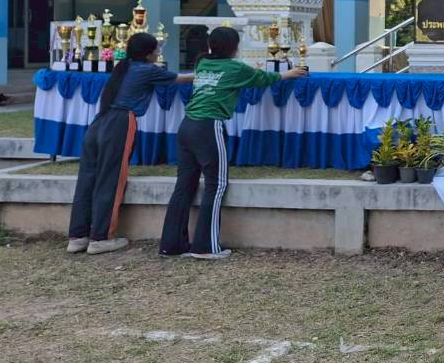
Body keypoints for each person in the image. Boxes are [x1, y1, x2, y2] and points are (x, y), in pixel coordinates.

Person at [159, 27, 307, 260]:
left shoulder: (202, 63)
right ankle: (205, 247)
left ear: (211, 45)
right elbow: (263, 79)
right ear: (234, 48)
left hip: (186, 126)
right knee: (216, 185)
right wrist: (289, 74)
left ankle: (171, 245)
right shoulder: (235, 68)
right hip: (209, 127)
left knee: (184, 185)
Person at [66, 32, 194, 256]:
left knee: (87, 179)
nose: (158, 52)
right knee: (111, 179)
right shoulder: (147, 69)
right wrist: (206, 72)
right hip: (120, 123)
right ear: (148, 53)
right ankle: (101, 238)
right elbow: (179, 79)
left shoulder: (123, 67)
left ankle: (78, 236)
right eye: (156, 49)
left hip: (99, 122)